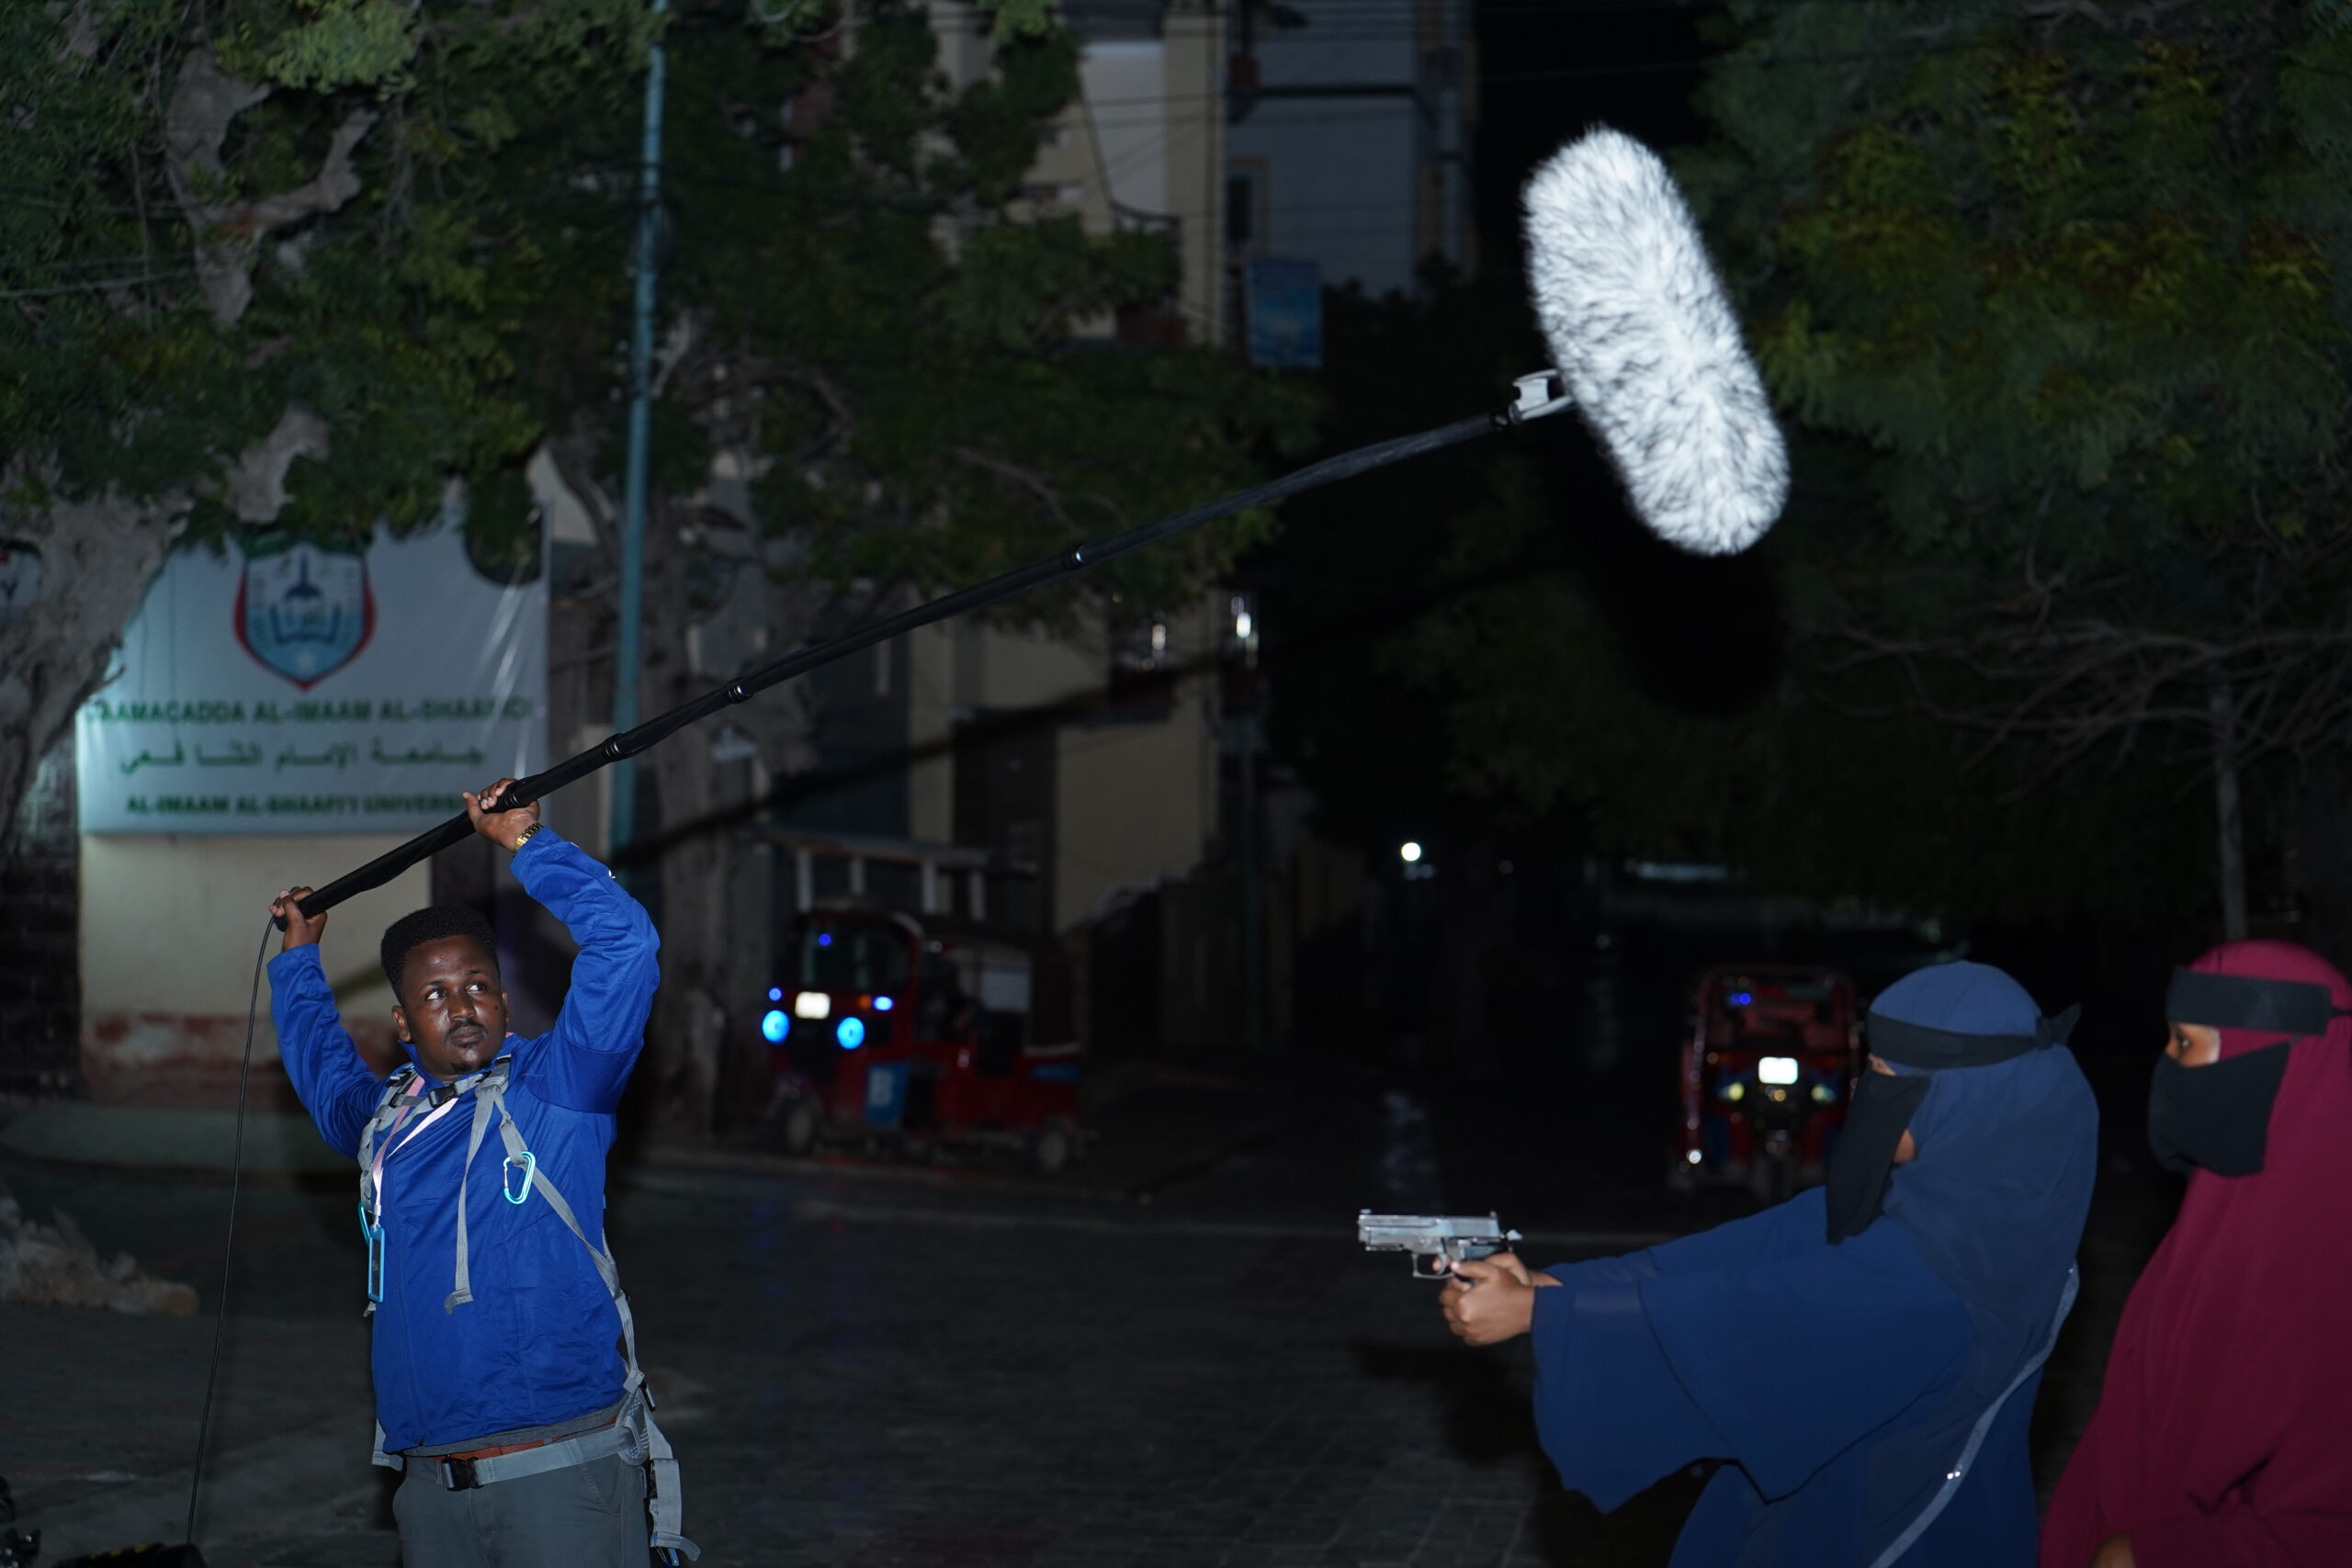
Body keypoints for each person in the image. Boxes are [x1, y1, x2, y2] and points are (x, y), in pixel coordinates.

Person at [1442, 960, 2097, 1567]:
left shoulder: (1953, 1267)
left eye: (1885, 1075)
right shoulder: (1958, 1196)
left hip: (1896, 1531)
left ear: (1959, 1098)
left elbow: (1751, 1323)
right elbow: (1737, 1259)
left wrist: (1545, 1315)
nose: (1866, 1090)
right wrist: (1557, 1285)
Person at [267, 780, 696, 1567]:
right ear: (403, 1021)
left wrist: (528, 844)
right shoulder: (386, 1123)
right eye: (434, 994)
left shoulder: (561, 1089)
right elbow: (327, 1077)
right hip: (430, 1493)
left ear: (503, 999)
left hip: (560, 1479)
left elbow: (625, 946)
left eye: (476, 986)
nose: (461, 1006)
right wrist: (299, 957)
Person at [2041, 940, 2352, 1568]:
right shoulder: (2211, 1224)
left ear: (2269, 1060)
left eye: (2185, 1043)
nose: (2166, 1063)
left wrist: (2152, 1554)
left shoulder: (2331, 1275)